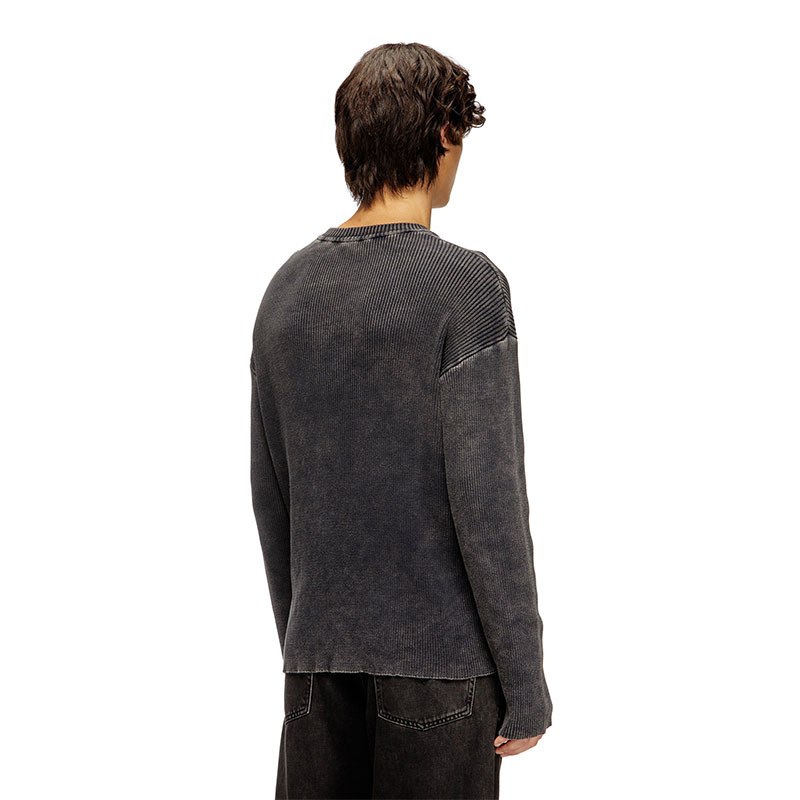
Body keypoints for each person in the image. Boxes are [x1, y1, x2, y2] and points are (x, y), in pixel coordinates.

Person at [250, 42, 553, 799]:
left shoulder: (285, 294)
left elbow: (272, 498)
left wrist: (306, 644)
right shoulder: (466, 288)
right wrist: (525, 684)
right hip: (442, 675)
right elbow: (489, 503)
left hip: (317, 673)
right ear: (446, 135)